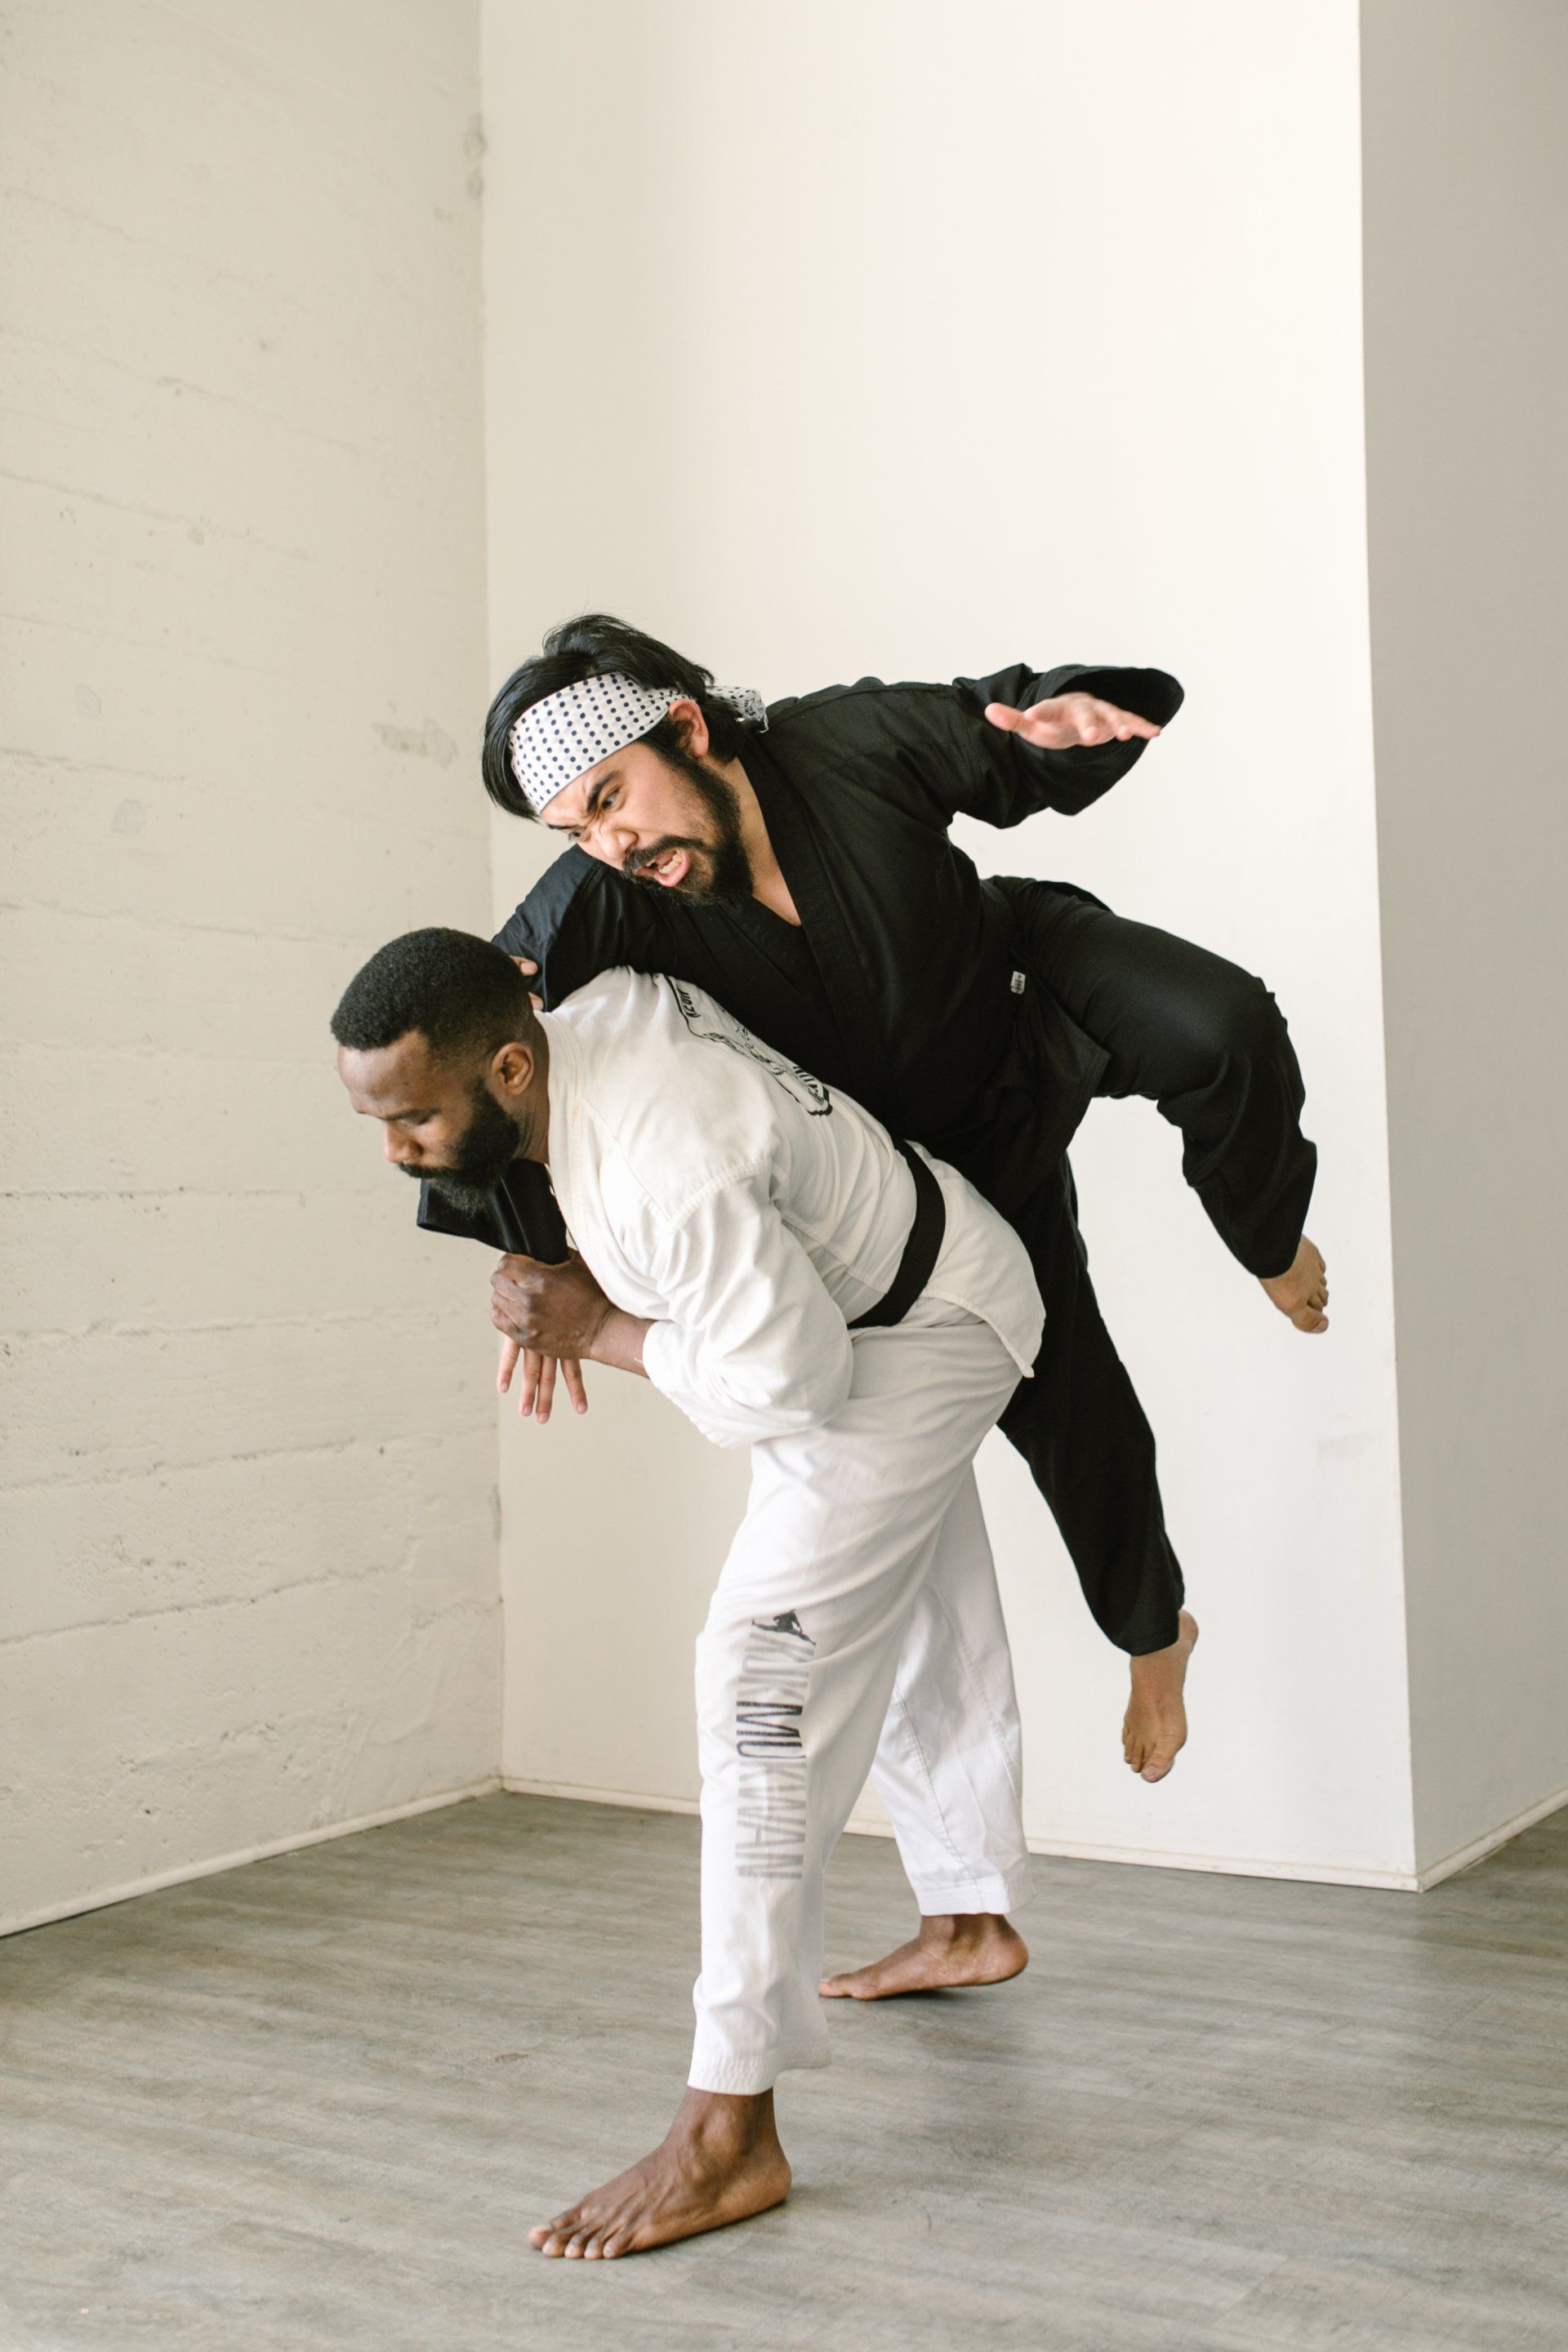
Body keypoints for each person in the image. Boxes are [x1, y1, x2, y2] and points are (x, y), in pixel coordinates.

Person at [425, 615, 1326, 1784]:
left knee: (1223, 1029)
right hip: (943, 1168)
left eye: (613, 797)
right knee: (1068, 1401)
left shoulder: (841, 742)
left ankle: (1263, 1234)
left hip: (1026, 986)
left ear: (686, 728)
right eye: (579, 829)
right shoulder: (608, 900)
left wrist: (1066, 722)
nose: (612, 842)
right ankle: (1158, 1638)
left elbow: (996, 730)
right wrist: (545, 1254)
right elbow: (481, 1046)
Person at [332, 928, 1047, 2258]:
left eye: (416, 1116)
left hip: (912, 1340)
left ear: (505, 1064)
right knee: (903, 1607)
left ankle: (731, 2128)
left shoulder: (665, 1166)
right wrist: (581, 1286)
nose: (397, 1151)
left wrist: (594, 1325)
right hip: (918, 1283)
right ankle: (968, 1911)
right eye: (377, 1120)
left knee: (762, 1676)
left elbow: (794, 1386)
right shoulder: (594, 1013)